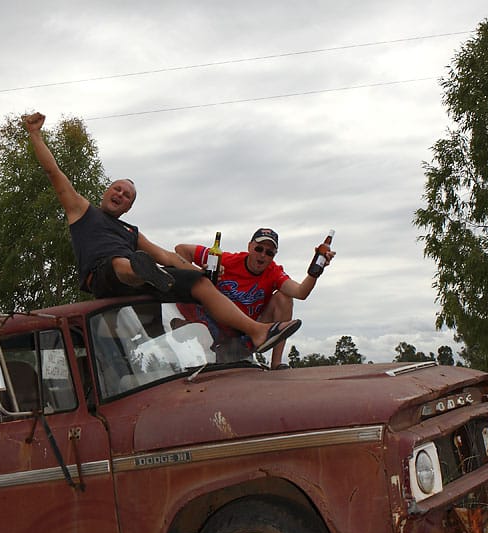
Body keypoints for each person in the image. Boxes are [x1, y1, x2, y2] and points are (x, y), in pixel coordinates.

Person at [21, 111, 300, 354]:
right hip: (103, 275)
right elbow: (53, 172)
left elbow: (165, 255)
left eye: (127, 195)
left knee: (199, 285)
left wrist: (198, 273)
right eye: (117, 189)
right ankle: (140, 270)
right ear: (106, 191)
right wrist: (35, 134)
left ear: (128, 208)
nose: (121, 194)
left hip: (141, 278)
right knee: (121, 263)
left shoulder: (131, 231)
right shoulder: (82, 211)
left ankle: (257, 331)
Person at [175, 228, 334, 369]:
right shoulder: (226, 260)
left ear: (274, 255)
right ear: (250, 247)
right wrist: (200, 275)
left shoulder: (274, 272)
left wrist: (315, 272)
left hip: (244, 335)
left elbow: (300, 292)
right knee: (189, 288)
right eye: (259, 249)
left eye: (269, 252)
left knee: (284, 298)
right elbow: (181, 250)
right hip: (212, 327)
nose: (263, 255)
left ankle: (276, 364)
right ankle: (190, 334)